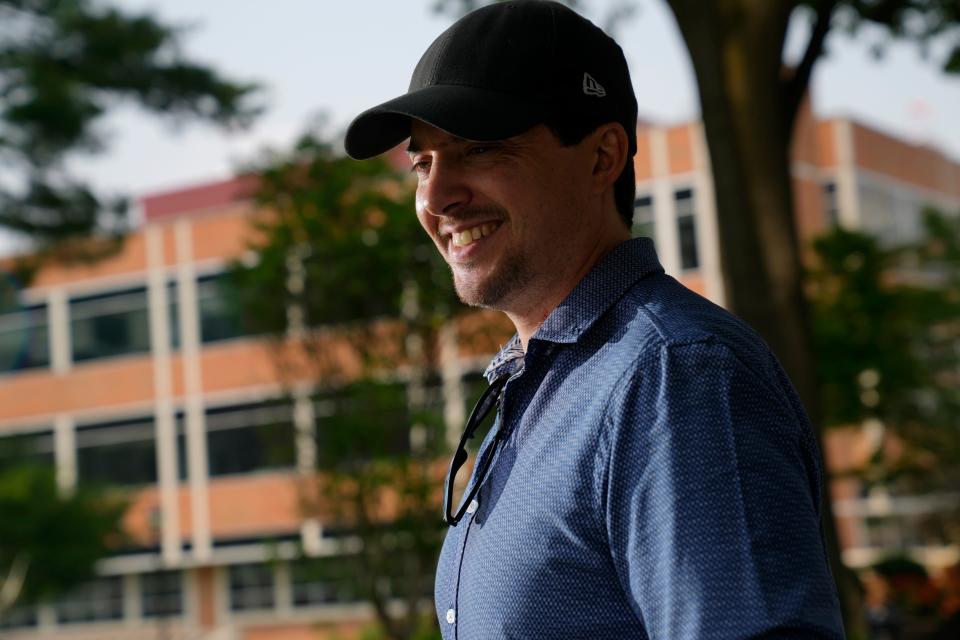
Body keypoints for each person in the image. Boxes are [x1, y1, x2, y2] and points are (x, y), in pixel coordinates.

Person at [345, 1, 845, 638]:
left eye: (480, 149)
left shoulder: (676, 378)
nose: (438, 196)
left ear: (603, 156)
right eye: (423, 162)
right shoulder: (547, 383)